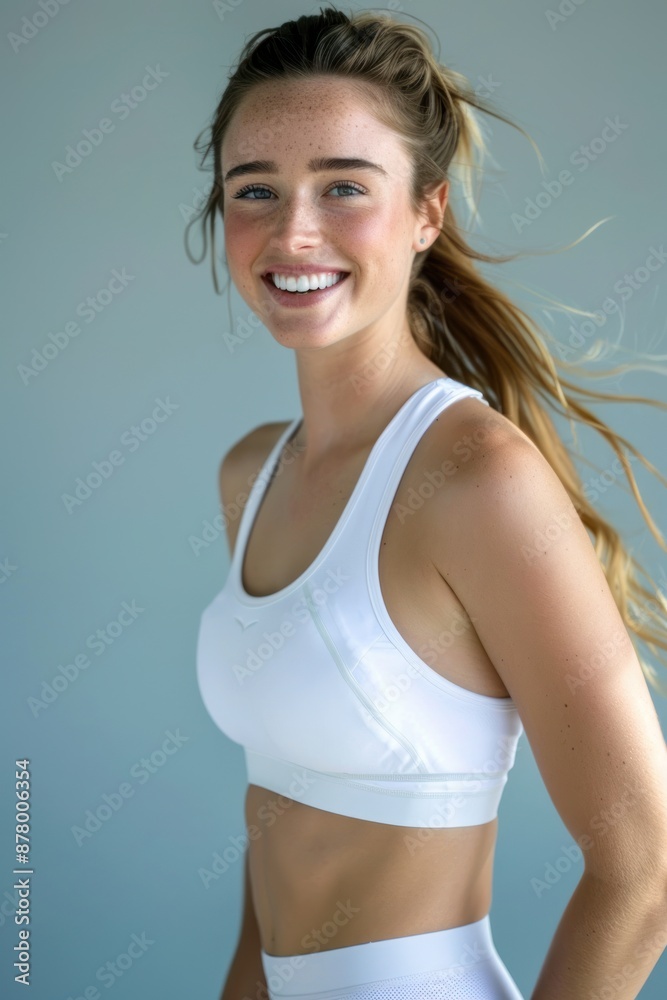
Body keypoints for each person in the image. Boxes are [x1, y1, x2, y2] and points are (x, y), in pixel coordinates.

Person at [191, 7, 667, 998]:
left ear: (426, 214)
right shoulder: (251, 475)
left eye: (344, 187)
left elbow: (648, 871)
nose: (292, 230)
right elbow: (275, 812)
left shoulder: (479, 481)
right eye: (255, 190)